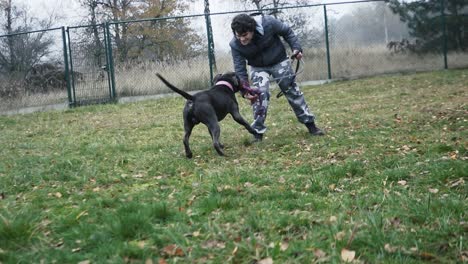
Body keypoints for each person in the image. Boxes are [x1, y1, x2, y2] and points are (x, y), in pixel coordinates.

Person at [229, 13, 325, 142]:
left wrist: (296, 49)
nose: (242, 39)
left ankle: (311, 125)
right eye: (238, 36)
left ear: (252, 29)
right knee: (259, 94)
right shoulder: (235, 45)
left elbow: (287, 32)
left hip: (279, 60)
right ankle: (257, 133)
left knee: (292, 91)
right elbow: (240, 69)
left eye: (245, 35)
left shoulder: (269, 23)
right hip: (258, 67)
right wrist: (245, 89)